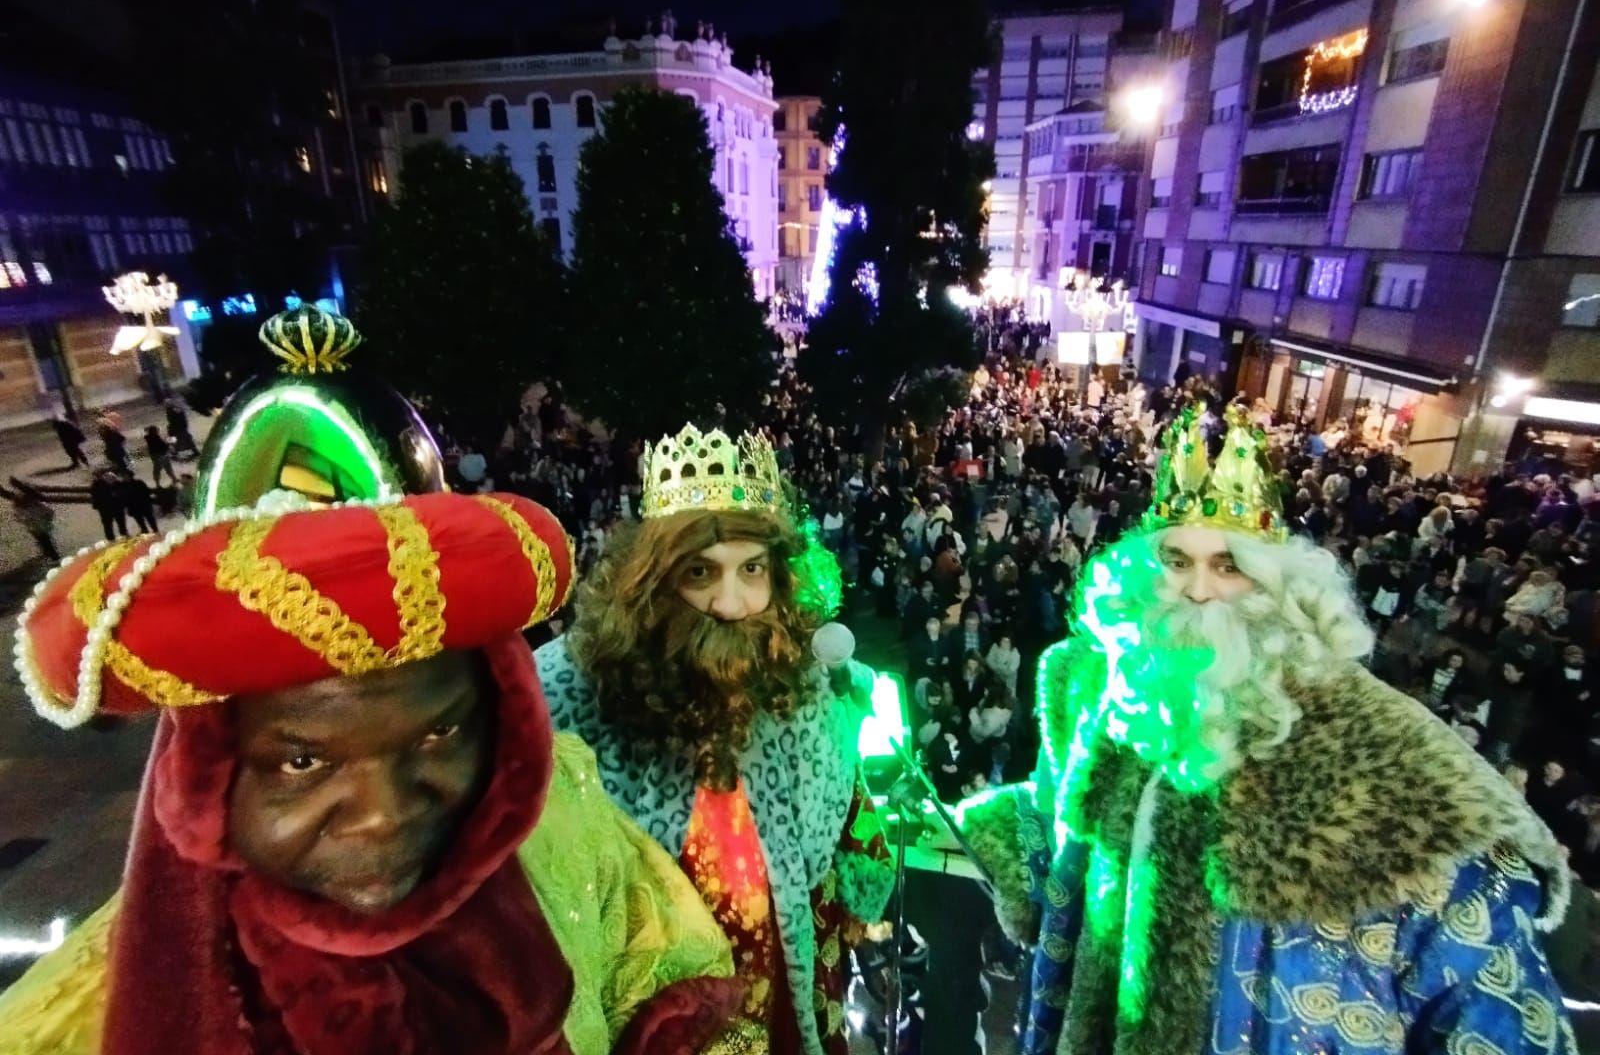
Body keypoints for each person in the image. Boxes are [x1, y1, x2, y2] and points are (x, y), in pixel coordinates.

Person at [0, 490, 749, 1054]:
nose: (383, 814)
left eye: (437, 735)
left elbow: (679, 992)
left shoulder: (572, 821)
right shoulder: (71, 1020)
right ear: (203, 778)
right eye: (303, 761)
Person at [960, 403, 1576, 1054]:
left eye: (1229, 566)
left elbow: (1492, 1008)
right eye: (1176, 560)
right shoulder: (1109, 697)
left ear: (1280, 590)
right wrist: (993, 828)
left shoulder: (1402, 775)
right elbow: (1061, 813)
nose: (1198, 590)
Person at [537, 423, 893, 1055]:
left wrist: (863, 887)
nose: (731, 603)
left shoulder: (802, 682)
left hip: (790, 996)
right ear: (652, 580)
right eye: (701, 572)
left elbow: (846, 812)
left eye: (751, 569)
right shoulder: (570, 695)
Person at [12, 486, 57, 562]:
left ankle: (54, 557)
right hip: (34, 528)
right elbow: (19, 518)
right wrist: (27, 519)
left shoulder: (37, 506)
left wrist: (47, 518)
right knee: (42, 540)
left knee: (46, 541)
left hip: (41, 527)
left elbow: (50, 512)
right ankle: (48, 553)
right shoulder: (19, 510)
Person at [89, 469, 128, 541]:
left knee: (114, 524)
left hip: (111, 507)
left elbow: (94, 497)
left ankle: (120, 536)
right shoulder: (97, 484)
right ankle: (117, 537)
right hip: (110, 507)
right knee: (111, 525)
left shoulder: (98, 484)